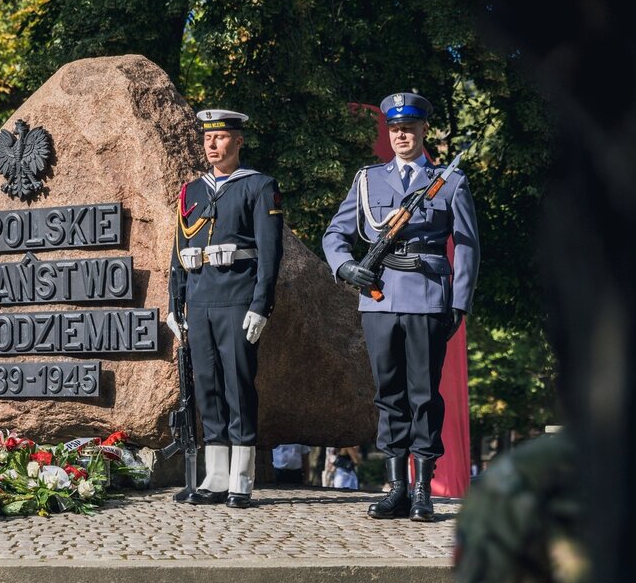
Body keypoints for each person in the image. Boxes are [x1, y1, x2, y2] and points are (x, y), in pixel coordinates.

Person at [322, 92, 479, 521]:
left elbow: (466, 247)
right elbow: (334, 235)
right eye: (394, 129)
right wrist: (345, 267)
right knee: (389, 395)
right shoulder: (368, 180)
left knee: (424, 395)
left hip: (428, 297)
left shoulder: (449, 182)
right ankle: (396, 488)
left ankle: (424, 489)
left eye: (409, 128)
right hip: (378, 298)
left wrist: (459, 303)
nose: (401, 135)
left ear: (423, 131)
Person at [167, 109, 284, 509]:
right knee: (207, 387)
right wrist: (174, 304)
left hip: (237, 297)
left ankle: (242, 477)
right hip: (199, 300)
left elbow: (271, 254)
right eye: (206, 139)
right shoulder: (191, 192)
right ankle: (215, 476)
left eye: (219, 138)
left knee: (238, 383)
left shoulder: (259, 186)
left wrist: (261, 304)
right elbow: (179, 252)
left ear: (238, 141)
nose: (211, 145)